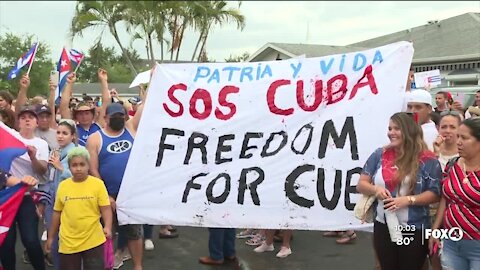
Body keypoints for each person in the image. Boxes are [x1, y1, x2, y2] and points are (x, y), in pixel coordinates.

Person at [357, 112, 442, 270]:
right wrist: (375, 189)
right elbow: (361, 183)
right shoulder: (379, 154)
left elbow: (435, 193)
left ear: (409, 130)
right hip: (383, 225)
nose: (391, 132)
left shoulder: (428, 159)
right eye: (390, 128)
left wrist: (408, 200)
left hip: (413, 227)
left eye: (397, 128)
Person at [87, 100, 144, 269]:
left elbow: (144, 106)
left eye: (121, 115)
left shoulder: (131, 129)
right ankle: (108, 265)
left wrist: (152, 79)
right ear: (105, 118)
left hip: (131, 194)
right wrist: (106, 195)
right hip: (107, 196)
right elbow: (93, 169)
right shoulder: (95, 138)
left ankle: (138, 266)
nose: (118, 118)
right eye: (114, 116)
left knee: (135, 233)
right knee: (106, 233)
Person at [45, 147, 112, 270]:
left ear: (88, 165)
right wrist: (51, 237)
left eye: (82, 164)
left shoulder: (97, 184)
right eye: (74, 165)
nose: (79, 168)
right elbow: (56, 213)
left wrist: (107, 226)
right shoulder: (63, 186)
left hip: (94, 240)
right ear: (69, 167)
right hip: (68, 242)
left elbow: (106, 208)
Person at [0, 105, 49, 270]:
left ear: (36, 122)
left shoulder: (41, 144)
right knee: (7, 241)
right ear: (18, 123)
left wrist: (33, 157)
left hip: (27, 196)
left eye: (31, 117)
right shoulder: (10, 137)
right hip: (7, 196)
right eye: (23, 117)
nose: (27, 119)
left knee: (30, 240)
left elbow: (42, 170)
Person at [429, 117, 480, 270]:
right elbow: (445, 199)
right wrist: (435, 230)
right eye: (458, 137)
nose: (458, 142)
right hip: (451, 242)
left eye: (464, 138)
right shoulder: (452, 165)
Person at [43, 118, 78, 269]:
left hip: (71, 202)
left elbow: (80, 175)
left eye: (65, 133)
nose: (60, 136)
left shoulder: (76, 152)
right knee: (55, 238)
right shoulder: (55, 151)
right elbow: (50, 178)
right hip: (54, 200)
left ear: (73, 136)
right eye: (58, 132)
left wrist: (60, 168)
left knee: (70, 239)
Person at [60, 70, 109, 147]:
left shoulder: (98, 125)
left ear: (92, 115)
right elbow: (63, 107)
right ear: (76, 116)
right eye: (80, 114)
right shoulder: (72, 128)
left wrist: (104, 81)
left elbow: (106, 103)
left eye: (87, 113)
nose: (84, 116)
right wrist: (69, 83)